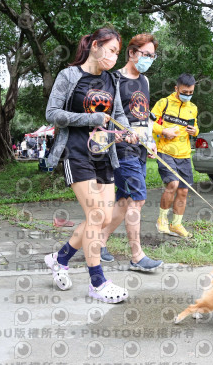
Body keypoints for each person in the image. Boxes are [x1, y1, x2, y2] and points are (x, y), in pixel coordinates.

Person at [44, 27, 134, 303]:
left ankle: (60, 258)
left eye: (117, 53)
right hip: (76, 152)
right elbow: (52, 113)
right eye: (112, 50)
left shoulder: (111, 80)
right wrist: (91, 119)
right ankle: (97, 283)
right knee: (96, 215)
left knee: (104, 218)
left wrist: (129, 132)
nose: (114, 58)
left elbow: (118, 114)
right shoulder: (69, 76)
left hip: (104, 154)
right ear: (95, 46)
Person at [100, 33, 163, 271]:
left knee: (125, 200)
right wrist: (123, 133)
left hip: (141, 148)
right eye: (146, 54)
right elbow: (109, 115)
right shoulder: (114, 79)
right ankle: (137, 256)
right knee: (138, 198)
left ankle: (98, 242)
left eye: (152, 56)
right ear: (132, 52)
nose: (149, 59)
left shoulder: (145, 81)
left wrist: (151, 141)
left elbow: (145, 116)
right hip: (122, 147)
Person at [151, 73, 199, 238]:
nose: (188, 95)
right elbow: (149, 123)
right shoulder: (163, 103)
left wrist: (195, 131)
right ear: (176, 88)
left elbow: (195, 128)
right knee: (173, 184)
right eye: (184, 92)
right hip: (165, 151)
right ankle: (162, 220)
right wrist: (163, 130)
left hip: (184, 154)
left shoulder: (193, 108)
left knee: (183, 191)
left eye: (191, 92)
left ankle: (176, 224)